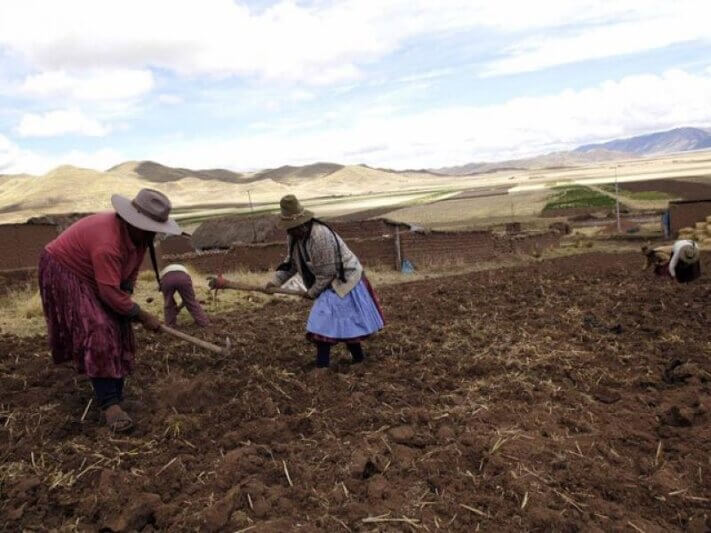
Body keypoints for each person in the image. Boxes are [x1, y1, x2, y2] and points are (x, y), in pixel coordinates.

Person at [38, 189, 182, 432]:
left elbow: (129, 273)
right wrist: (142, 315)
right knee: (99, 327)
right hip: (64, 269)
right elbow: (108, 294)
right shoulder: (107, 243)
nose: (153, 233)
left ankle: (116, 393)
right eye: (149, 228)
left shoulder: (139, 238)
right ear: (133, 221)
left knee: (120, 325)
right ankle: (109, 405)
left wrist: (127, 298)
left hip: (98, 275)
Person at [267, 195, 384, 368]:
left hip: (344, 281)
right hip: (328, 281)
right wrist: (275, 282)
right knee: (345, 322)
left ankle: (323, 366)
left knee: (322, 322)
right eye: (288, 228)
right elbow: (292, 263)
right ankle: (358, 359)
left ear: (302, 223)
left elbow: (327, 273)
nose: (289, 231)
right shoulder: (294, 237)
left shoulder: (319, 236)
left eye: (292, 228)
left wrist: (312, 292)